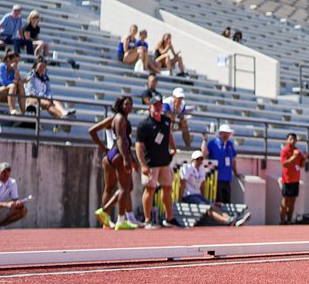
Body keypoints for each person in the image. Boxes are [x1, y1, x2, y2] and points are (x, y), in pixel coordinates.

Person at [89, 96, 139, 230]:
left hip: (111, 154)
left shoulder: (114, 118)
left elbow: (92, 131)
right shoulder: (120, 118)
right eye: (126, 104)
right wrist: (127, 159)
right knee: (125, 188)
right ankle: (120, 220)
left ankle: (105, 216)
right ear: (120, 105)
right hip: (118, 154)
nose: (129, 106)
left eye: (131, 104)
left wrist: (104, 148)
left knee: (115, 187)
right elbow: (122, 139)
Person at [134, 94, 177, 228]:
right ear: (150, 107)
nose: (158, 108)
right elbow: (138, 146)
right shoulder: (144, 125)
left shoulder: (166, 120)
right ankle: (147, 219)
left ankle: (169, 218)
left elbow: (169, 134)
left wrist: (173, 147)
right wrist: (143, 165)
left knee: (167, 188)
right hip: (151, 162)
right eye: (155, 105)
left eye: (160, 105)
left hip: (164, 161)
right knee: (150, 189)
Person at [179, 150, 246, 225]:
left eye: (201, 159)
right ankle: (227, 221)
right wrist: (180, 198)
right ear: (193, 160)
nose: (199, 161)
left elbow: (202, 185)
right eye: (197, 159)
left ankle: (231, 219)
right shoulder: (187, 168)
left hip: (197, 195)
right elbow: (182, 183)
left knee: (212, 206)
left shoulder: (201, 169)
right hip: (189, 196)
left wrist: (203, 197)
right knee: (206, 208)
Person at [24, 59, 75, 124]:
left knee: (56, 101)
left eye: (44, 66)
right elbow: (31, 90)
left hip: (42, 98)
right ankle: (61, 118)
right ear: (35, 66)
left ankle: (64, 113)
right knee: (48, 103)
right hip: (31, 98)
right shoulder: (30, 75)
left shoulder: (45, 78)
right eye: (40, 66)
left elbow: (48, 90)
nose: (42, 68)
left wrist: (49, 96)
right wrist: (44, 96)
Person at [203, 124, 238, 206]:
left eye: (228, 133)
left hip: (227, 177)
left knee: (226, 200)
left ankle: (228, 218)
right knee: (219, 201)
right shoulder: (213, 143)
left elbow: (233, 160)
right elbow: (205, 153)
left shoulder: (230, 144)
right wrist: (204, 141)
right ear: (220, 133)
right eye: (224, 133)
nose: (226, 135)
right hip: (216, 177)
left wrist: (235, 172)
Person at [280, 132, 306, 225]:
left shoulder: (298, 151)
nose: (292, 141)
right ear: (287, 140)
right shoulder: (284, 151)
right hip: (287, 179)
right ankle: (282, 220)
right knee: (285, 201)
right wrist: (293, 157)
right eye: (290, 139)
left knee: (292, 202)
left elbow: (301, 165)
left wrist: (304, 159)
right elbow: (284, 164)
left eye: (294, 139)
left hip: (295, 180)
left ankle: (289, 219)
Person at [0, 50, 24, 115]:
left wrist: (16, 70)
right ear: (8, 60)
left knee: (20, 86)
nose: (16, 63)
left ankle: (23, 111)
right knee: (13, 86)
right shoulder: (1, 66)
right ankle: (12, 110)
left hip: (4, 93)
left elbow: (18, 81)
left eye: (17, 61)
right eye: (15, 61)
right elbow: (4, 82)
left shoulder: (14, 69)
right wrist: (14, 82)